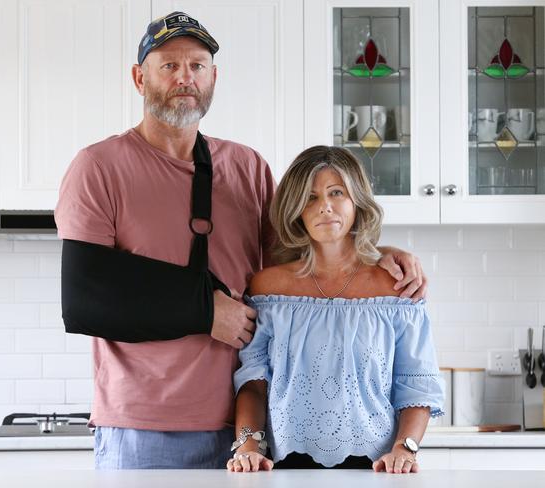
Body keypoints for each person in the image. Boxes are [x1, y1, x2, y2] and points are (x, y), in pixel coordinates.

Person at [55, 11, 427, 470]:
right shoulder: (99, 167)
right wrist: (206, 310)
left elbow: (300, 262)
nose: (184, 77)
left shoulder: (247, 167)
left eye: (197, 65)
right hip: (143, 426)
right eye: (168, 65)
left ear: (214, 77)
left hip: (247, 434)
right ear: (139, 77)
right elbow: (84, 298)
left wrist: (378, 255)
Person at [228, 146, 445, 474]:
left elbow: (416, 383)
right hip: (280, 470)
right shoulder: (267, 288)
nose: (325, 207)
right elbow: (253, 384)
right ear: (296, 210)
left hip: (380, 469)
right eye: (310, 197)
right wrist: (247, 445)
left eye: (336, 193)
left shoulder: (397, 288)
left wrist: (406, 448)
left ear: (357, 201)